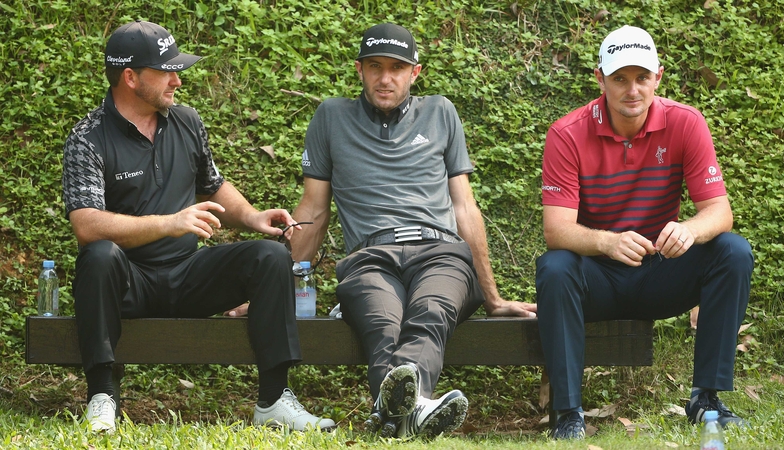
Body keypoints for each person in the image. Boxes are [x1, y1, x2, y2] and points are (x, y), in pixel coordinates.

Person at [61, 20, 334, 433]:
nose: (178, 81)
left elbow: (213, 184)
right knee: (98, 254)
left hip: (187, 276)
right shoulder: (87, 138)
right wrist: (168, 222)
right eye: (167, 71)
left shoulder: (186, 121)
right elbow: (86, 223)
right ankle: (102, 396)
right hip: (127, 283)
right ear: (131, 77)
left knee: (270, 254)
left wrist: (251, 217)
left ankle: (274, 399)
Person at [281, 23, 539, 438]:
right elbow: (313, 210)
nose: (386, 78)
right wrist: (274, 287)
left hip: (440, 252)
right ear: (360, 70)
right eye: (375, 67)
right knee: (382, 324)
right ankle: (413, 413)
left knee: (429, 314)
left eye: (397, 68)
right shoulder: (331, 116)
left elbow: (465, 208)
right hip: (369, 258)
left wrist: (492, 298)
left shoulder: (440, 112)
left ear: (414, 73)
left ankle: (395, 414)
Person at [536, 25, 753, 440]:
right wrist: (606, 241)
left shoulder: (686, 122)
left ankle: (706, 399)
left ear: (659, 76)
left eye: (641, 77)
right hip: (596, 279)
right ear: (600, 78)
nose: (631, 89)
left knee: (733, 251)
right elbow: (556, 230)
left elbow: (719, 211)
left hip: (660, 271)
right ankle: (568, 416)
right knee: (555, 266)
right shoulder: (567, 133)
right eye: (619, 78)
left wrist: (689, 230)